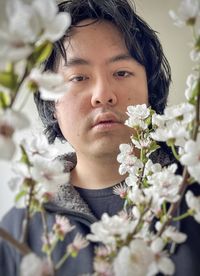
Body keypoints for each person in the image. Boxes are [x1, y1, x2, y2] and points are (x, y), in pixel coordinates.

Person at [0, 0, 200, 275]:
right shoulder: (17, 229)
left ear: (150, 92)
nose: (102, 94)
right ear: (51, 104)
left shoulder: (191, 193)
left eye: (121, 72)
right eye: (79, 77)